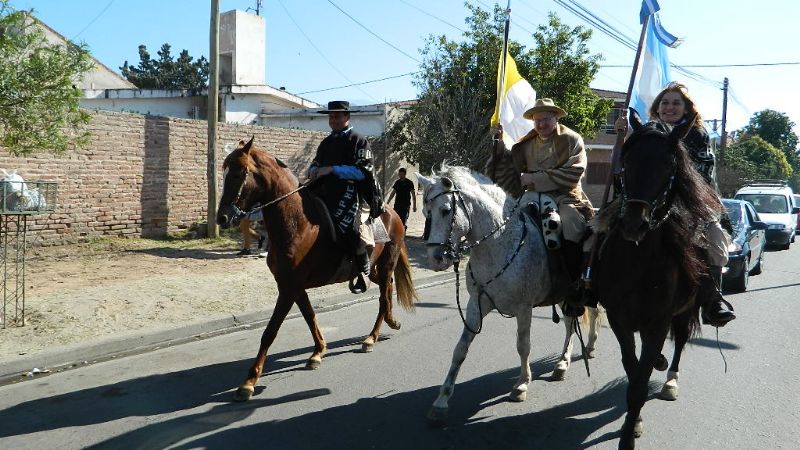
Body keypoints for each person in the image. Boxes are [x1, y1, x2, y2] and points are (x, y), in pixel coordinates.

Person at [615, 82, 735, 327]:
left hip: (691, 200)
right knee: (598, 228)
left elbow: (703, 174)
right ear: (657, 107)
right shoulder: (645, 131)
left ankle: (713, 300)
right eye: (665, 102)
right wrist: (621, 136)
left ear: (687, 109)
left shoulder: (697, 134)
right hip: (648, 197)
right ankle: (589, 283)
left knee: (714, 239)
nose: (670, 107)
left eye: (676, 103)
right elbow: (627, 164)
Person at [492, 98, 595, 313]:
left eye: (546, 119)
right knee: (510, 223)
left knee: (571, 226)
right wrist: (499, 143)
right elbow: (509, 167)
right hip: (532, 197)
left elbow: (574, 172)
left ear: (555, 118)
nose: (541, 125)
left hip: (566, 197)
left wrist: (535, 178)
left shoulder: (572, 140)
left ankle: (575, 284)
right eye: (537, 120)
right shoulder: (525, 144)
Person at [307, 100, 382, 294]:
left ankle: (361, 263)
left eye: (337, 116)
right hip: (325, 190)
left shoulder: (358, 140)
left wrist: (332, 169)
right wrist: (313, 169)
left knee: (350, 225)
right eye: (331, 116)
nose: (333, 120)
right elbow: (316, 162)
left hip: (354, 191)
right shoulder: (326, 142)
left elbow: (363, 172)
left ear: (347, 117)